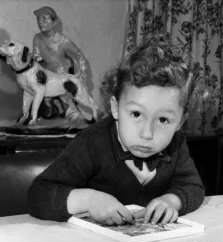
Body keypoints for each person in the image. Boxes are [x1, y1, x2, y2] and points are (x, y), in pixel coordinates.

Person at [27, 34, 205, 225]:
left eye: (163, 120)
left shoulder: (177, 144)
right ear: (115, 108)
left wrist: (171, 201)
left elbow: (193, 187)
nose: (147, 134)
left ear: (180, 122)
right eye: (136, 114)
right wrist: (89, 200)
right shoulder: (92, 142)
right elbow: (38, 194)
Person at [32, 6, 90, 122]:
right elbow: (36, 55)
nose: (40, 22)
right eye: (38, 19)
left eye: (44, 19)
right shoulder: (37, 38)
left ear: (55, 22)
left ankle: (76, 118)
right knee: (45, 97)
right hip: (46, 71)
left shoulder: (63, 41)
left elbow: (78, 55)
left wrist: (83, 71)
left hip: (61, 71)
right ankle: (57, 115)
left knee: (66, 98)